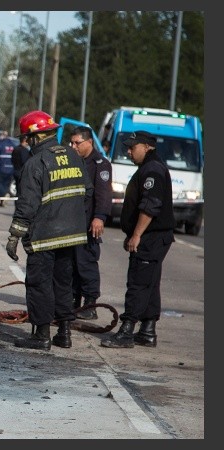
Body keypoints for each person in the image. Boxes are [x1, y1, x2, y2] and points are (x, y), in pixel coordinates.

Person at [5, 110, 91, 350]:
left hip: (44, 237)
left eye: (26, 138)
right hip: (71, 235)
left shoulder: (35, 163)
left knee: (39, 284)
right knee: (63, 284)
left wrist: (14, 236)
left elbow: (27, 206)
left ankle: (41, 335)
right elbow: (87, 193)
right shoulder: (75, 158)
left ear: (34, 138)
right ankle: (64, 333)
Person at [101, 131, 175, 349]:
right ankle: (148, 330)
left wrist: (136, 235)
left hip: (151, 237)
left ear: (147, 147)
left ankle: (127, 331)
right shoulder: (149, 168)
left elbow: (150, 206)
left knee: (138, 283)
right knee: (149, 282)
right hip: (153, 237)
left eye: (133, 147)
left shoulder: (152, 170)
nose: (129, 151)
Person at [69, 126, 113, 320]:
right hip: (72, 223)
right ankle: (72, 302)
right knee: (71, 266)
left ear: (89, 142)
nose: (73, 146)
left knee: (86, 265)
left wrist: (100, 217)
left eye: (77, 143)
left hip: (88, 223)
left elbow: (103, 194)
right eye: (71, 143)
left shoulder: (100, 164)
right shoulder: (73, 161)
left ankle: (90, 305)